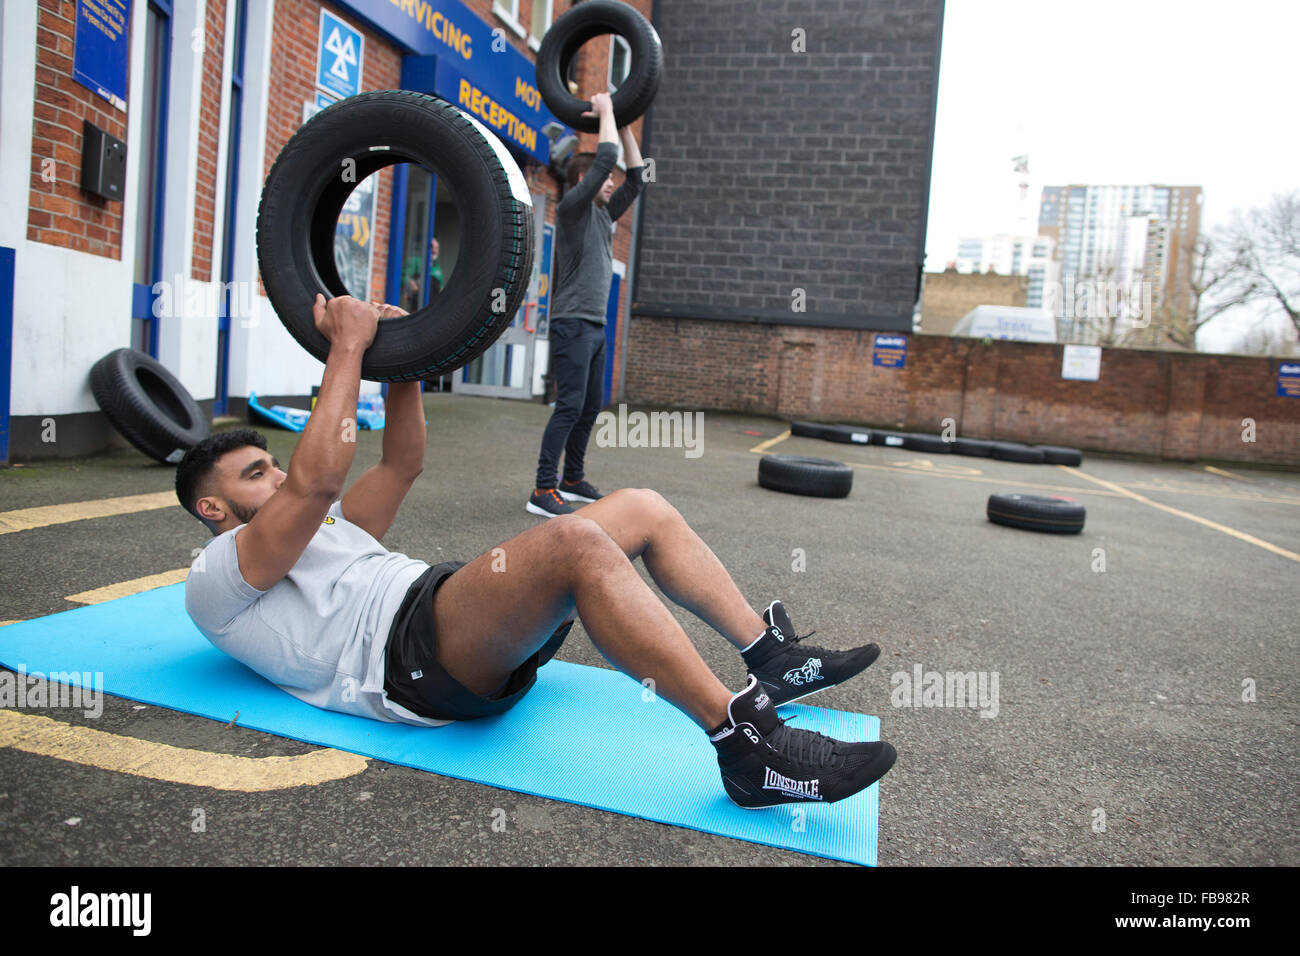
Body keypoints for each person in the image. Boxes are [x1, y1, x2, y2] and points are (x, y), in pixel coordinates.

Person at [178, 294, 895, 808]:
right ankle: (749, 749)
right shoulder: (218, 577)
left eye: (271, 464)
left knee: (641, 508)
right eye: (253, 474)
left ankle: (770, 657)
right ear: (212, 508)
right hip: (407, 663)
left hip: (453, 611)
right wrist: (348, 346)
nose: (273, 476)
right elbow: (318, 475)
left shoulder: (321, 527)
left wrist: (400, 362)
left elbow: (399, 466)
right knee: (577, 543)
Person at [528, 92, 643, 519]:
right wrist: (611, 111)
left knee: (591, 406)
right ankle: (543, 487)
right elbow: (608, 156)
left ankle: (572, 479)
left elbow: (637, 178)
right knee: (570, 405)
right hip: (572, 323)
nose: (610, 180)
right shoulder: (575, 208)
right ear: (584, 181)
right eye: (602, 177)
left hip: (594, 326)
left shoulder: (602, 215)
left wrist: (626, 123)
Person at [401, 237, 442, 313]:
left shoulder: (438, 269)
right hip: (416, 307)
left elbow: (440, 289)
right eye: (432, 247)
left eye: (436, 248)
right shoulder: (415, 261)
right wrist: (411, 284)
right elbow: (403, 276)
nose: (434, 251)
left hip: (431, 309)